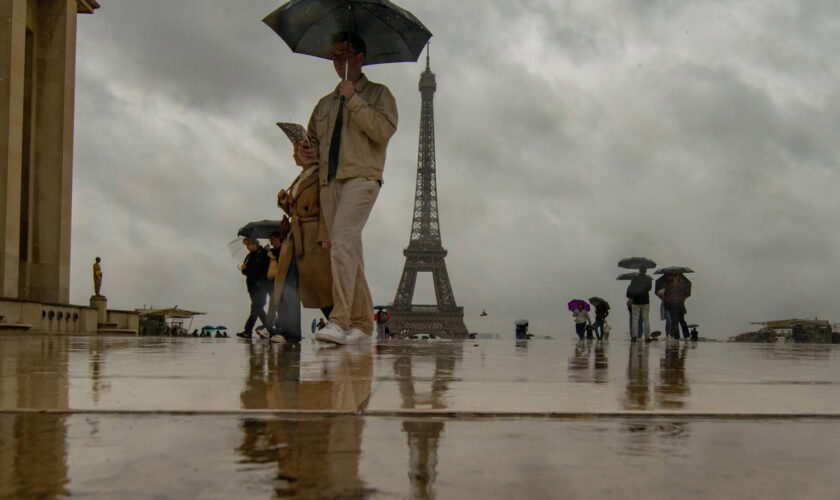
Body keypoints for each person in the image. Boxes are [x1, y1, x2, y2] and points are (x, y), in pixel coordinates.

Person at [298, 31, 398, 345]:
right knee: (344, 248)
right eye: (333, 55)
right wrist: (304, 153)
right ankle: (362, 324)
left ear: (359, 57)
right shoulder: (324, 103)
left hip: (362, 177)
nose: (336, 60)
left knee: (342, 242)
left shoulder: (380, 94)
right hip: (329, 182)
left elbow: (382, 131)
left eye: (342, 53)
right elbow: (309, 147)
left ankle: (339, 319)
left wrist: (353, 98)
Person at [270, 136, 334, 343]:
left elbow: (327, 207)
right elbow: (296, 210)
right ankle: (290, 331)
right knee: (289, 283)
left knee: (319, 284)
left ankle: (338, 323)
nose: (293, 154)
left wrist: (326, 235)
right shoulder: (299, 178)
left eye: (297, 149)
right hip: (296, 236)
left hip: (313, 236)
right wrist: (284, 203)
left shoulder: (323, 176)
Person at [236, 238, 272, 339]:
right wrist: (243, 269)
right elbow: (247, 272)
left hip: (261, 286)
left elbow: (260, 270)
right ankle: (271, 329)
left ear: (255, 244)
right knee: (258, 309)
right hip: (252, 286)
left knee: (255, 308)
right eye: (246, 245)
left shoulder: (264, 253)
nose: (247, 247)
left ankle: (247, 331)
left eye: (248, 244)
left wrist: (247, 269)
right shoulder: (249, 255)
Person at [657, 273, 691, 339]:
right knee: (679, 321)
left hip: (674, 305)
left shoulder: (669, 285)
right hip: (677, 305)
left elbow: (664, 295)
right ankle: (684, 336)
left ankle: (676, 336)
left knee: (676, 321)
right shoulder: (680, 284)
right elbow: (686, 294)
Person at [627, 268, 653, 342]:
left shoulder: (634, 279)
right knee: (646, 319)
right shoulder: (648, 279)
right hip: (645, 301)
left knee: (635, 319)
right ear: (646, 271)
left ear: (639, 271)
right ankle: (647, 337)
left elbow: (631, 289)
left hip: (636, 301)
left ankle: (634, 337)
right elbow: (649, 288)